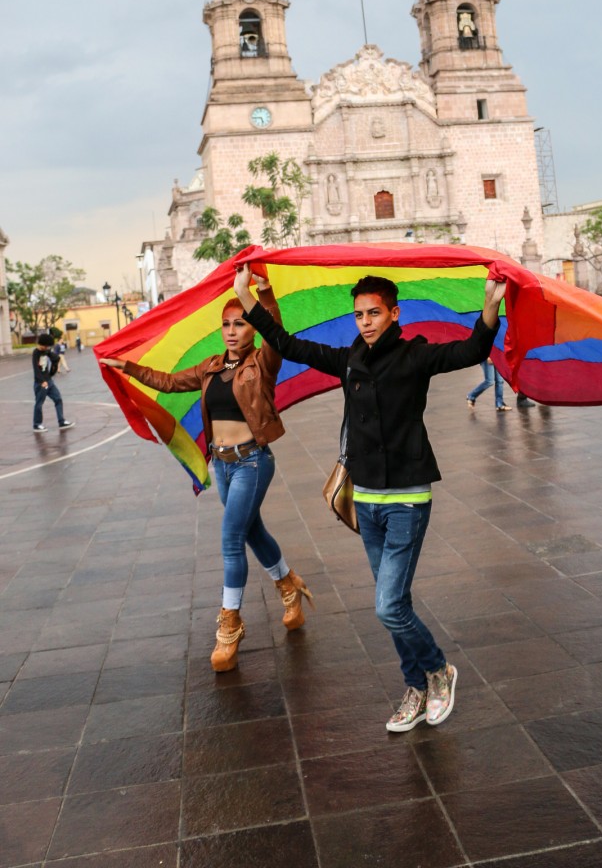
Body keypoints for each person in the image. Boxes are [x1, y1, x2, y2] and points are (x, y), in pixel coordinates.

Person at [234, 264, 506, 732]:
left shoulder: (415, 357)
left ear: (394, 314)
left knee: (387, 606)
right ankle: (416, 687)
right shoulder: (348, 361)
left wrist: (490, 303)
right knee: (393, 603)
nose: (366, 321)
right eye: (359, 314)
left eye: (375, 312)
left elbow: (473, 349)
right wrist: (248, 297)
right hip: (366, 500)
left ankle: (439, 671)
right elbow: (289, 345)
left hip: (407, 498)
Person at [100, 287, 313, 673]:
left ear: (252, 328)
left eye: (241, 323)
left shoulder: (263, 362)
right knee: (251, 532)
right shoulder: (211, 367)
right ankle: (289, 585)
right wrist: (128, 368)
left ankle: (230, 625)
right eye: (227, 324)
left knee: (232, 538)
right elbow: (166, 382)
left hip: (252, 462)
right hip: (224, 465)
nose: (232, 331)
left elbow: (276, 334)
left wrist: (262, 298)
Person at [32, 334, 75, 432]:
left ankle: (61, 421)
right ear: (41, 344)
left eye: (48, 346)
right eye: (45, 346)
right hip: (41, 383)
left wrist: (53, 367)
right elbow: (36, 369)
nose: (46, 347)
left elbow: (55, 358)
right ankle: (37, 424)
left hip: (49, 381)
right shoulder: (36, 353)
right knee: (39, 403)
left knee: (58, 399)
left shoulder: (46, 351)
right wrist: (41, 381)